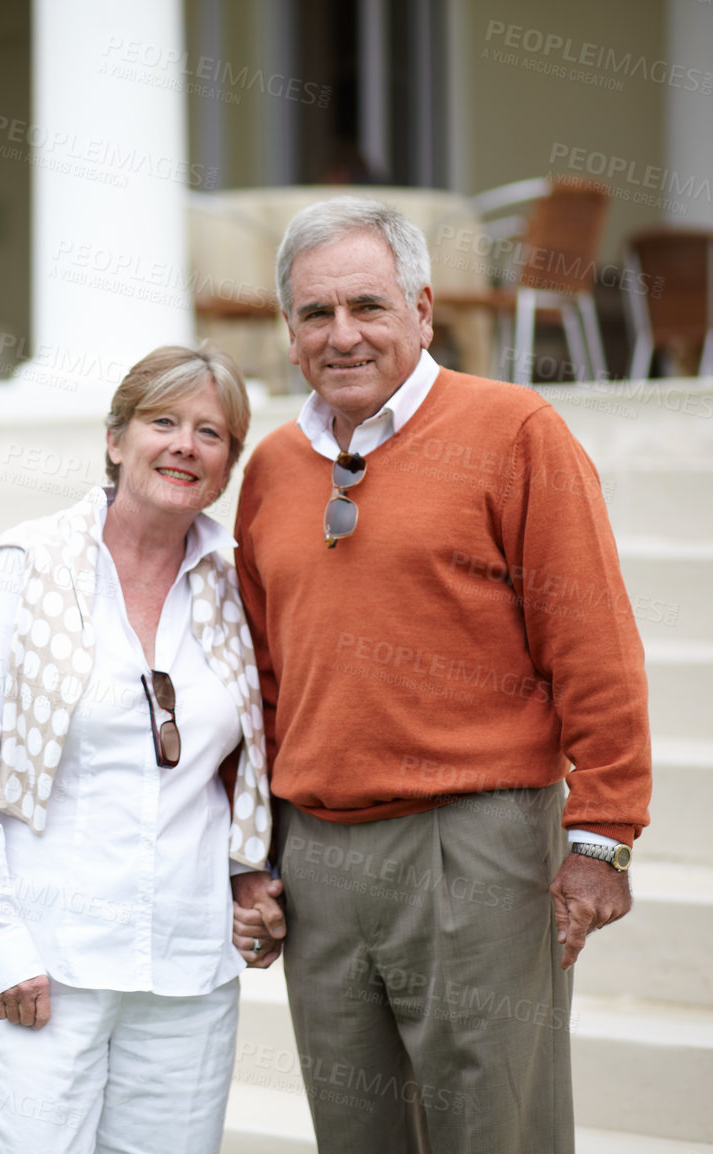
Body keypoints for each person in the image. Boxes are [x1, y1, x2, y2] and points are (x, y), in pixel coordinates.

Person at [229, 196, 652, 1153]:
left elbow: (593, 642)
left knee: (496, 1132)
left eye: (368, 307)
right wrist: (248, 852)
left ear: (423, 311)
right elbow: (257, 682)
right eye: (315, 314)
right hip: (319, 858)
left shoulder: (514, 432)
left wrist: (604, 836)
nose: (343, 335)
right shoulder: (271, 470)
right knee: (357, 1133)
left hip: (479, 847)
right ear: (289, 334)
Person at [0, 345, 275, 1154]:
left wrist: (255, 874)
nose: (185, 445)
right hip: (49, 962)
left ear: (227, 468)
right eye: (163, 422)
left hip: (189, 965)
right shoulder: (15, 571)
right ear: (116, 441)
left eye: (211, 433)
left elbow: (250, 759)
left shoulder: (237, 585)